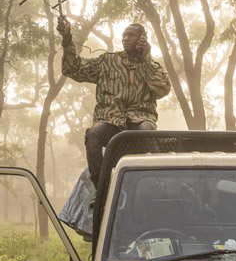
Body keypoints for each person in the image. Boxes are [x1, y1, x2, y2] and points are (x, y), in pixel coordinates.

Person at [57, 14, 172, 188]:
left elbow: (162, 89)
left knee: (147, 131)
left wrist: (146, 59)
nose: (125, 38)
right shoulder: (108, 61)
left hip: (140, 120)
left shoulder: (151, 66)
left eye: (131, 35)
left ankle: (155, 184)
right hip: (110, 121)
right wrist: (67, 39)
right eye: (124, 35)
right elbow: (73, 69)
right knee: (93, 134)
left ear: (142, 39)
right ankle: (103, 187)